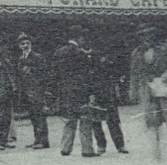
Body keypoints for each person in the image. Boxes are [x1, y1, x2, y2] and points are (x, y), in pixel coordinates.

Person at [130, 26, 167, 159]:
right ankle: (156, 151)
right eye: (142, 36)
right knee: (152, 119)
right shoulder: (136, 53)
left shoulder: (164, 49)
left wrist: (164, 77)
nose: (146, 39)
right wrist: (133, 90)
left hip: (163, 86)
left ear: (153, 36)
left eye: (148, 35)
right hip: (147, 88)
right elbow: (134, 73)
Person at [53, 27, 103, 157]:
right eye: (83, 38)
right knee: (85, 119)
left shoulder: (59, 52)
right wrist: (90, 91)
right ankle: (87, 149)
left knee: (69, 119)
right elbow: (86, 75)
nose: (85, 41)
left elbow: (55, 73)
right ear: (78, 38)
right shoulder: (80, 53)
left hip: (65, 90)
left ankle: (65, 148)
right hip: (80, 90)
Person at [12, 33, 51, 149]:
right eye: (22, 44)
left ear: (31, 44)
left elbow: (43, 74)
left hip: (37, 91)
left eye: (27, 43)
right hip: (27, 92)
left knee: (39, 116)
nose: (25, 45)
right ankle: (37, 139)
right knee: (33, 117)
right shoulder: (20, 59)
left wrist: (32, 72)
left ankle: (43, 141)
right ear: (19, 46)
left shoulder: (38, 57)